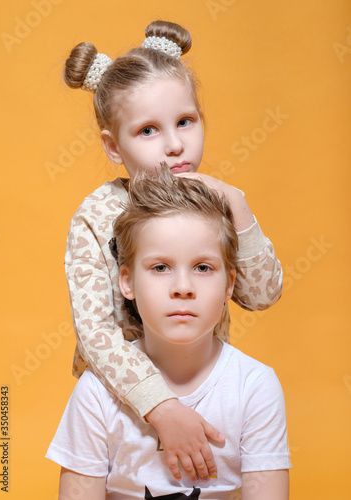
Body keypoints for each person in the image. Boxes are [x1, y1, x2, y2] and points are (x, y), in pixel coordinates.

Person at [62, 20, 283, 482]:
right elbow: (95, 333)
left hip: (201, 386)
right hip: (123, 399)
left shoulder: (211, 205)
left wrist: (237, 206)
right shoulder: (96, 215)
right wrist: (162, 409)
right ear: (114, 146)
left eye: (185, 121)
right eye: (148, 131)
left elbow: (261, 293)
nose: (176, 144)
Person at [46, 167, 291, 499]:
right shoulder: (96, 395)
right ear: (127, 281)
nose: (183, 288)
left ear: (229, 284)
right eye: (160, 267)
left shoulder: (255, 387)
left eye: (203, 267)